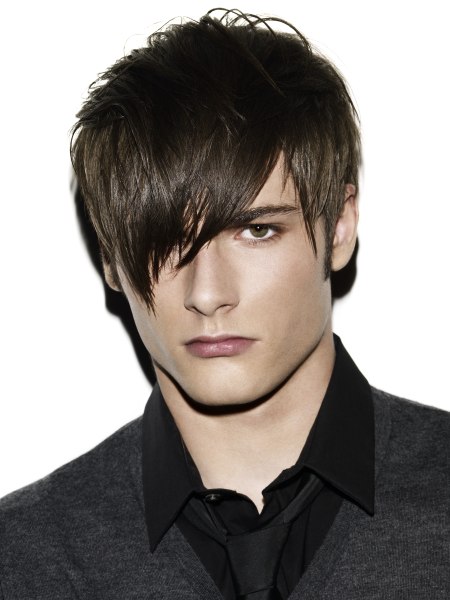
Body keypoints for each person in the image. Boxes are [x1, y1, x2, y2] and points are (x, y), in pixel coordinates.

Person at [0, 8, 448, 600]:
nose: (208, 294)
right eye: (163, 243)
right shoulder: (20, 556)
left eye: (257, 231)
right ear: (110, 259)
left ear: (339, 227)